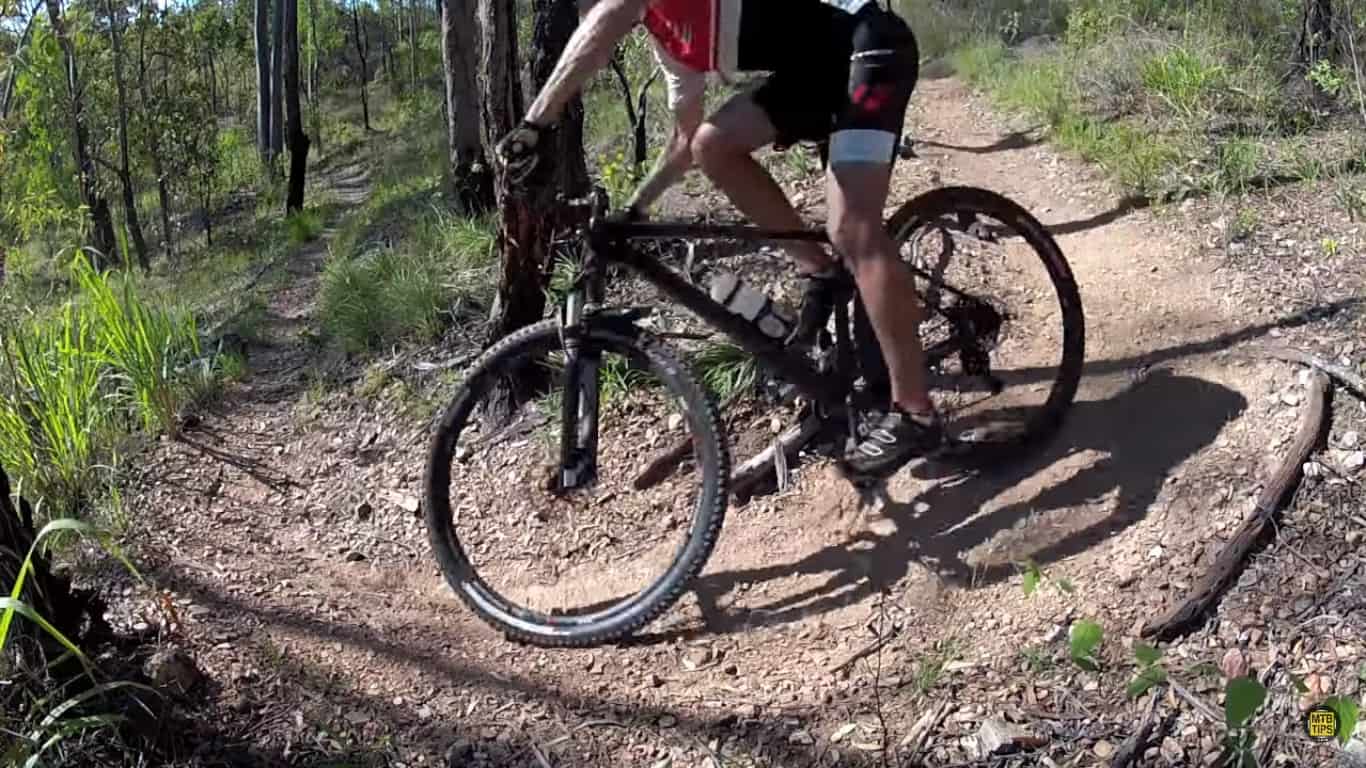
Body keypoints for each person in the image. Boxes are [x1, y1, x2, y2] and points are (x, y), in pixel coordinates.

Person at [495, 0, 941, 476]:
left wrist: (533, 124)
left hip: (870, 47)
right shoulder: (673, 45)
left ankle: (915, 414)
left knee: (852, 227)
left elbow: (608, 19)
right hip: (820, 69)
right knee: (712, 145)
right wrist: (637, 207)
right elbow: (684, 142)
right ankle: (820, 269)